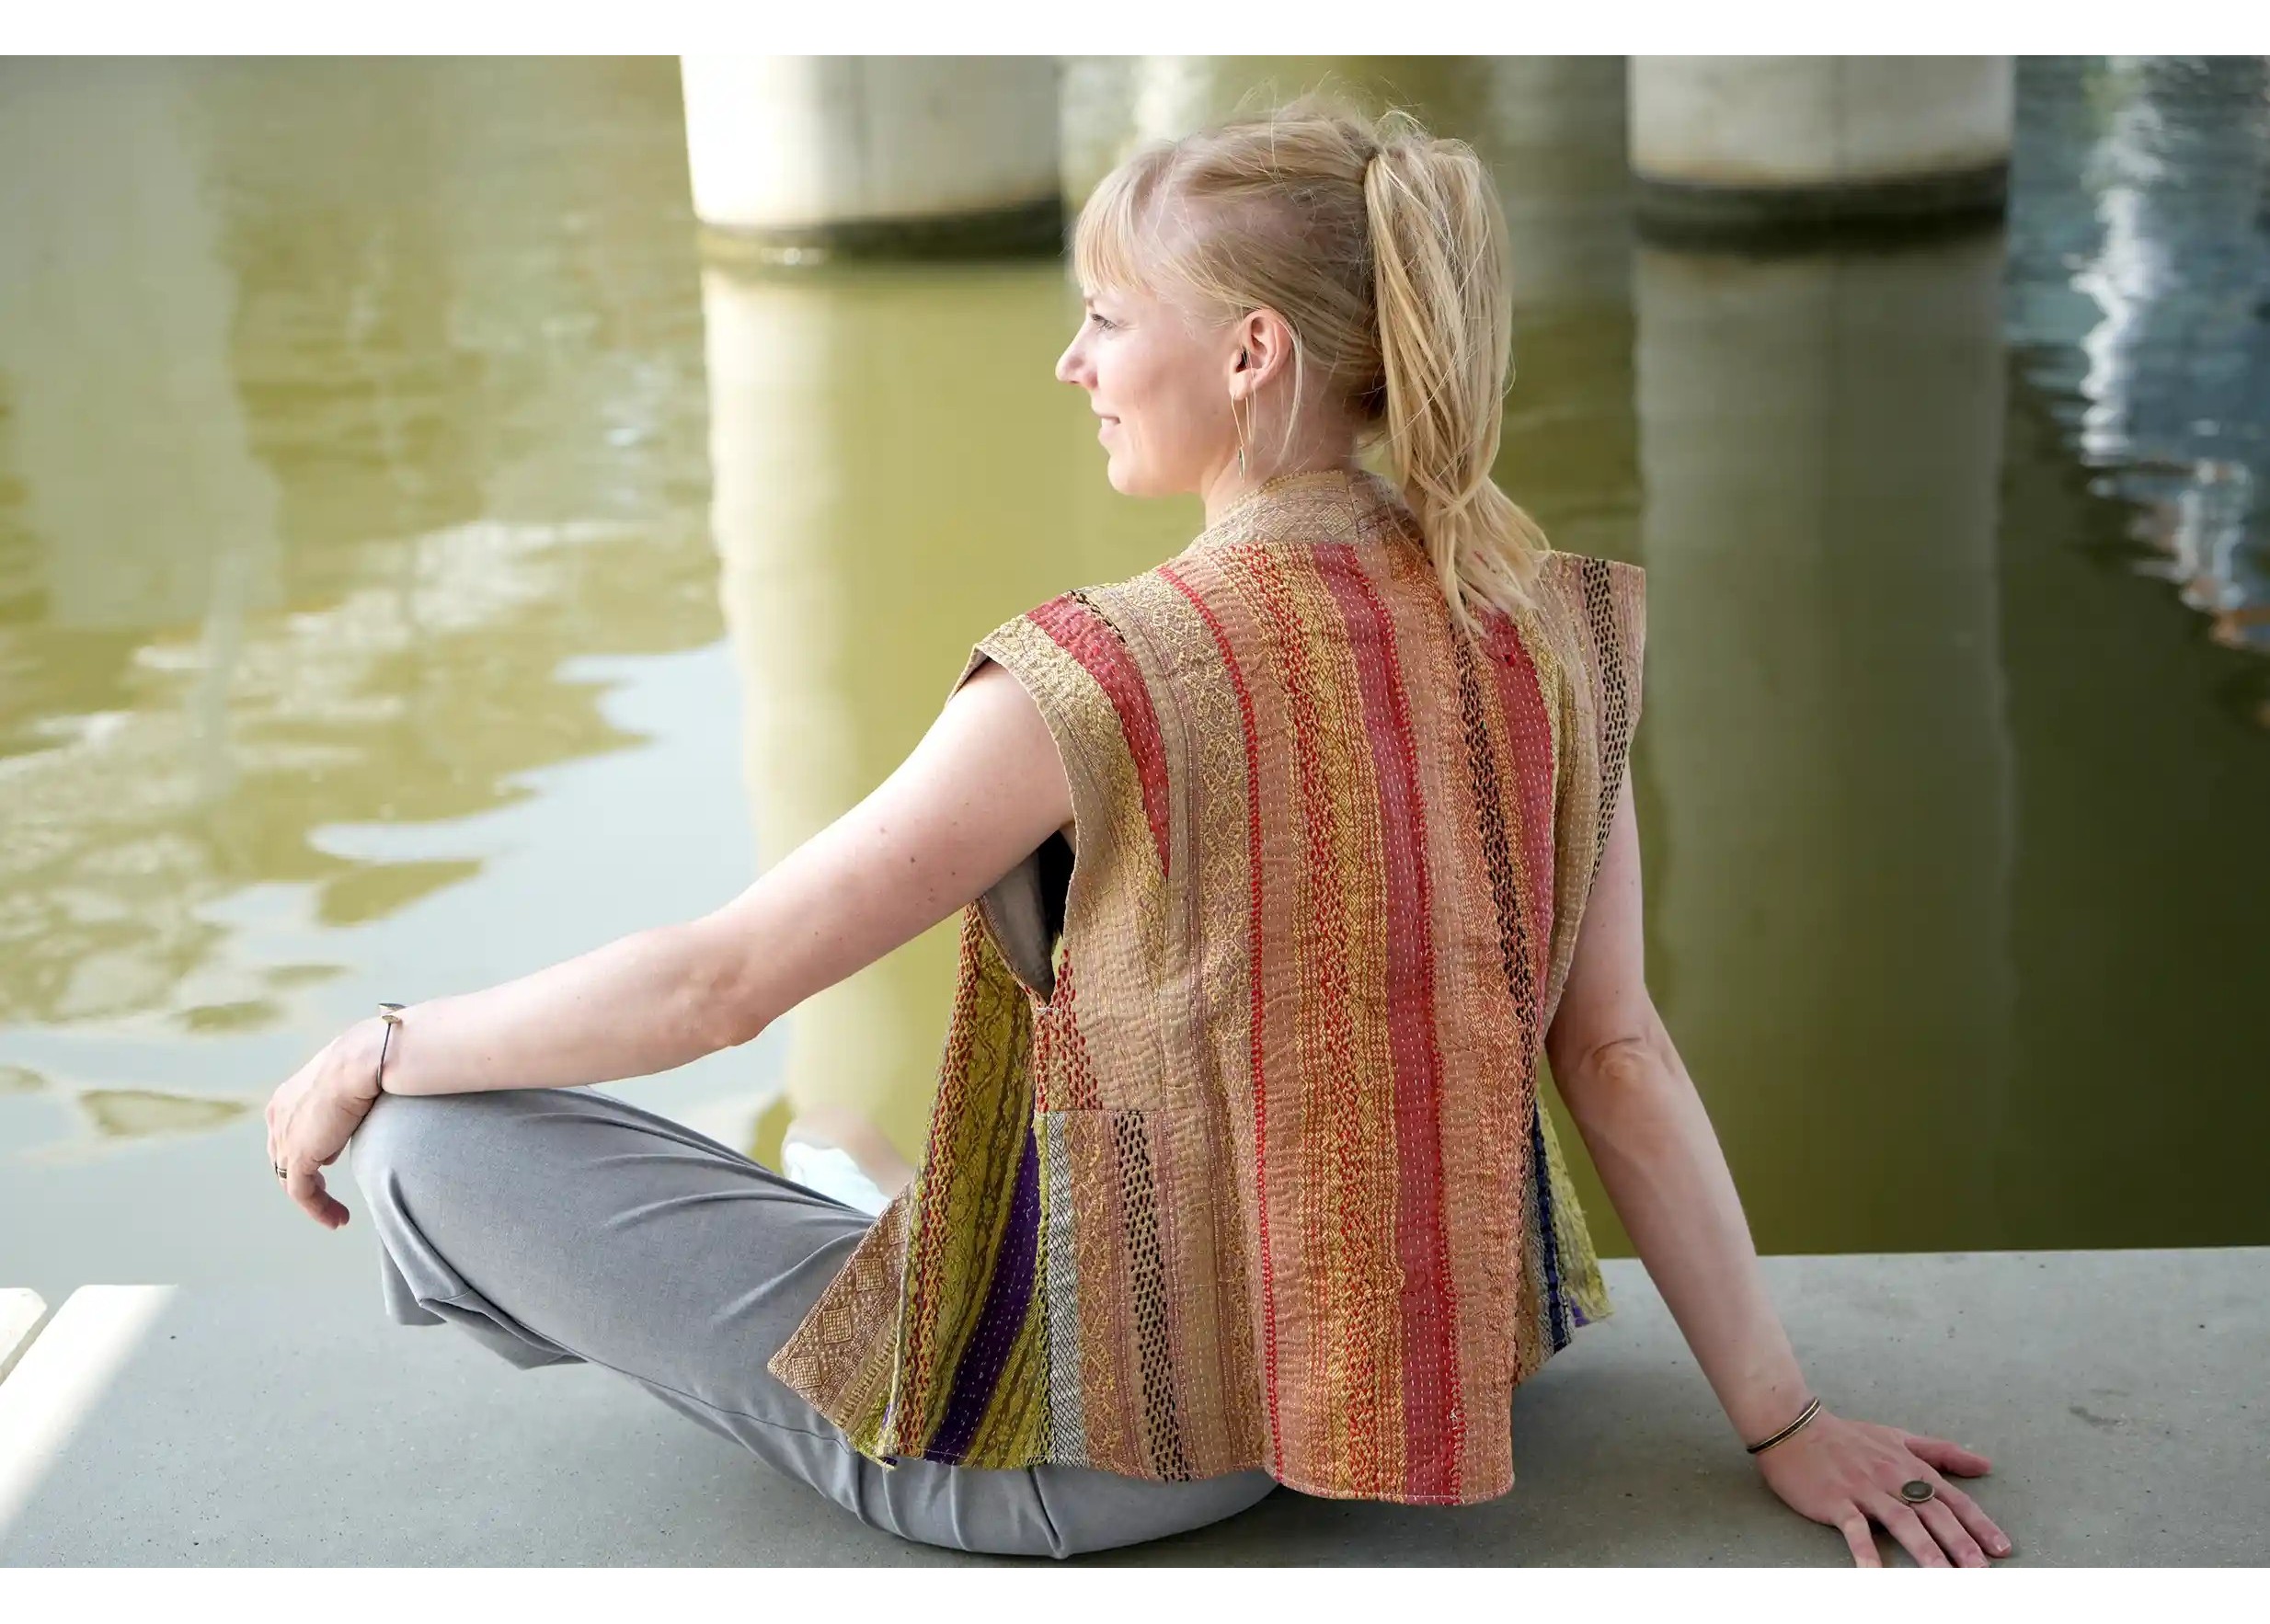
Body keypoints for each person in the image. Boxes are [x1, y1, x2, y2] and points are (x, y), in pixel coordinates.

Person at [264, 100, 2013, 1568]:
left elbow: (719, 985)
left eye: (1107, 315)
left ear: (1251, 353)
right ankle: (870, 1203)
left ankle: (853, 1220)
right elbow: (1615, 1051)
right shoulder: (1545, 621)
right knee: (865, 1152)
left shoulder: (1096, 674)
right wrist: (1785, 1419)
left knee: (427, 1146)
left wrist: (379, 1042)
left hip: (1108, 1461)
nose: (1071, 360)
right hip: (1436, 1376)